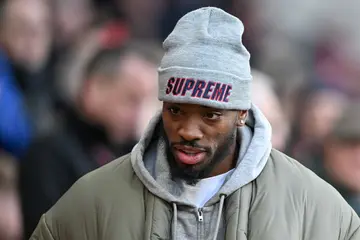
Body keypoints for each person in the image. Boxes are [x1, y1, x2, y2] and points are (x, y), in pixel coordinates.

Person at [30, 7, 360, 240]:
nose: (188, 130)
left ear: (242, 113)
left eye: (210, 115)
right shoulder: (94, 199)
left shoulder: (314, 206)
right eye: (176, 111)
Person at [20, 39, 161, 238]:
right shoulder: (48, 154)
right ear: (94, 88)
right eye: (131, 98)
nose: (140, 115)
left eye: (149, 102)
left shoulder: (135, 153)